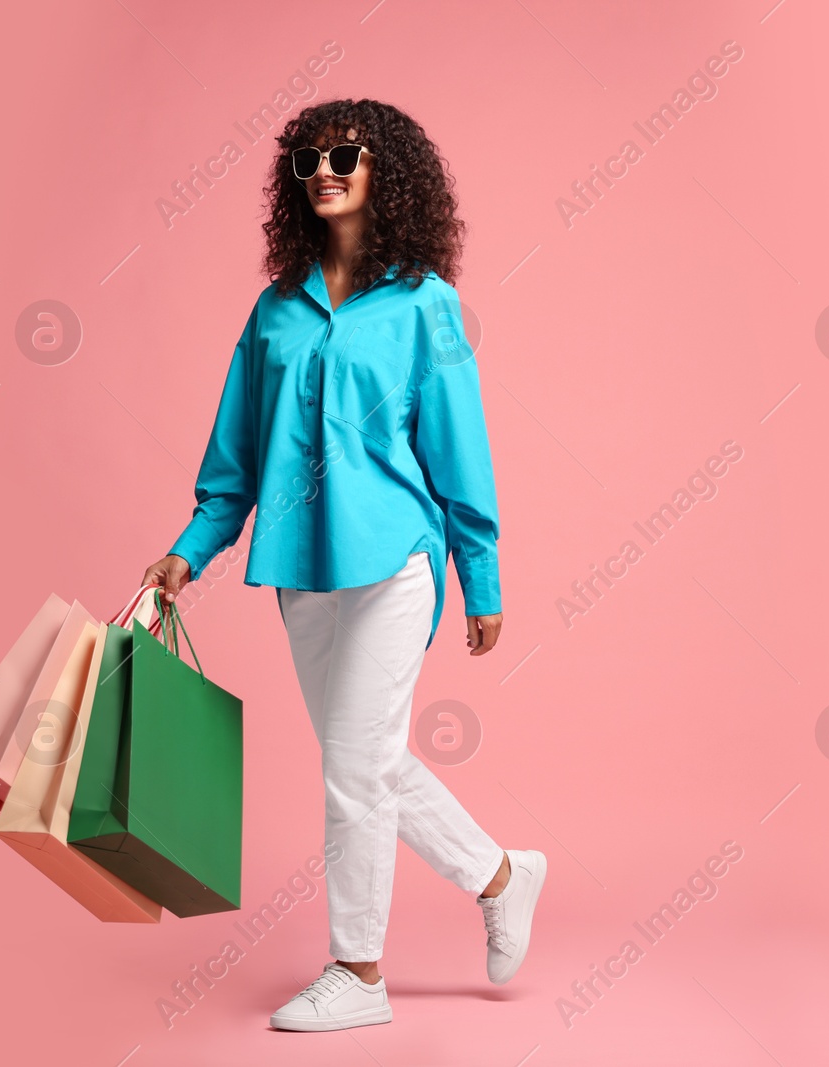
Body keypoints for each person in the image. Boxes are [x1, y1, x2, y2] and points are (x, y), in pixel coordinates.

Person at [142, 98, 545, 1033]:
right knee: (362, 763)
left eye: (346, 154)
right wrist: (190, 550)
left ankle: (358, 972)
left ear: (384, 169)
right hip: (299, 570)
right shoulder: (276, 310)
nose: (325, 169)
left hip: (395, 561)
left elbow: (459, 450)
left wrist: (479, 578)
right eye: (308, 159)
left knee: (352, 771)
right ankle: (500, 874)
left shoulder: (426, 305)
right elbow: (236, 454)